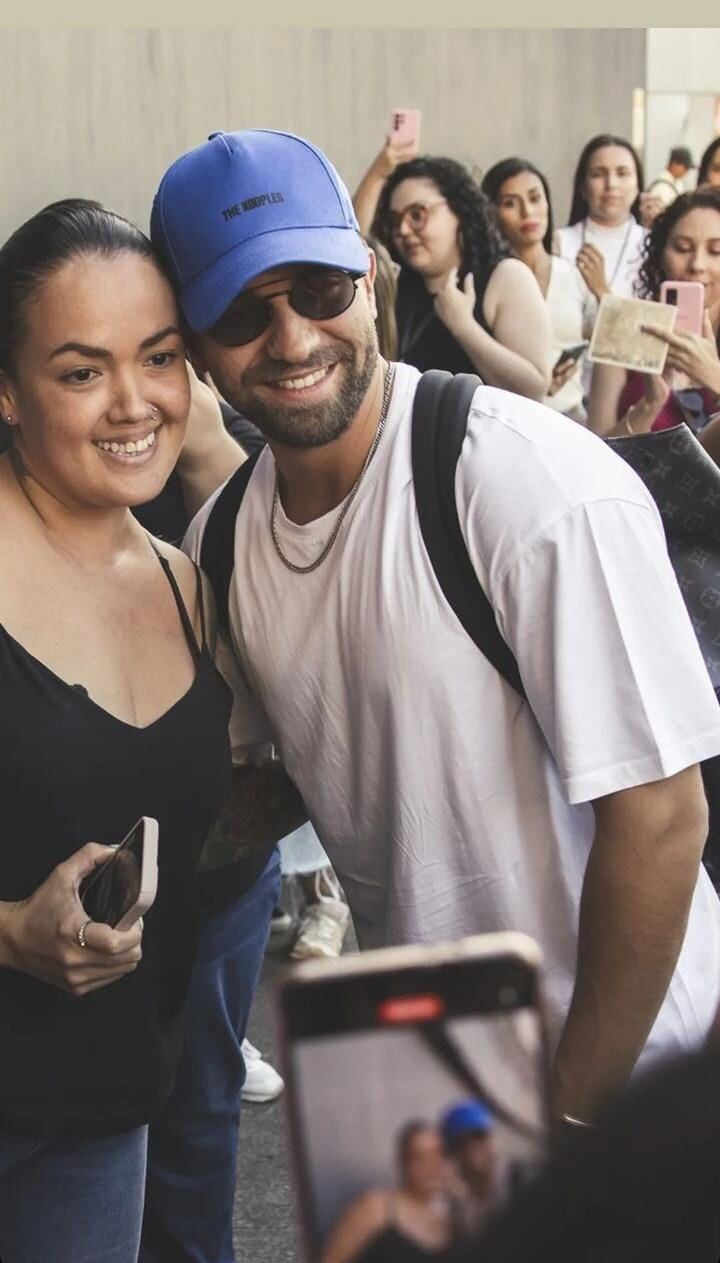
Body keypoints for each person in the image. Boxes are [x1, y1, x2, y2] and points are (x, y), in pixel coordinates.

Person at [152, 128, 720, 1130]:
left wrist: (572, 1126)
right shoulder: (225, 541)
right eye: (243, 313)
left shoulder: (523, 483)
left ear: (370, 279)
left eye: (320, 292)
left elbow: (664, 821)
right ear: (196, 349)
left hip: (638, 1088)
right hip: (448, 1079)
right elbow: (305, 766)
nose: (291, 340)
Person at [0, 199, 236, 1262]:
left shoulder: (190, 585)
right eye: (82, 370)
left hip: (102, 1118)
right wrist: (10, 932)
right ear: (7, 390)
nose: (134, 402)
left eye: (161, 356)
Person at [363, 152, 551, 399]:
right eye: (396, 220)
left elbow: (534, 390)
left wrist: (464, 327)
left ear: (458, 211)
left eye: (417, 215)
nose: (404, 231)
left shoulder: (505, 276)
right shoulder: (400, 288)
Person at [587, 186, 720, 438]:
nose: (697, 265)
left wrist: (715, 377)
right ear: (660, 256)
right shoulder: (623, 325)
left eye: (716, 251)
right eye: (682, 248)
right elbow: (595, 454)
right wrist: (649, 405)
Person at [481, 157, 595, 420]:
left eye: (535, 198)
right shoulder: (489, 282)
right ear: (491, 211)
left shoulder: (574, 274)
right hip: (511, 419)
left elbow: (602, 345)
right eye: (510, 203)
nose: (527, 212)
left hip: (573, 418)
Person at [321, 1121, 452, 1262]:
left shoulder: (451, 1215)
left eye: (437, 1155)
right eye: (419, 1158)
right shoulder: (377, 1208)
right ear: (403, 1164)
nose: (431, 1166)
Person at [556, 134, 646, 310]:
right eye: (598, 174)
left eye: (622, 173)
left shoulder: (652, 245)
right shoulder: (559, 242)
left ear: (638, 185)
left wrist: (601, 290)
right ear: (582, 186)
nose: (611, 184)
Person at [647, 145, 694, 210]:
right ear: (675, 164)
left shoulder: (677, 183)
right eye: (686, 167)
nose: (687, 171)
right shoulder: (661, 187)